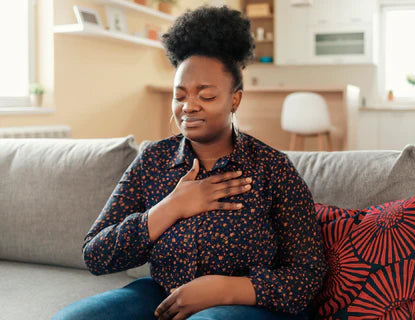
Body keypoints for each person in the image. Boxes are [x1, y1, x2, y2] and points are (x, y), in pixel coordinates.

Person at [51, 5, 327, 320]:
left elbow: (309, 275)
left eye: (206, 96)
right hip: (163, 295)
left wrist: (225, 290)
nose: (189, 107)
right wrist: (172, 207)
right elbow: (96, 255)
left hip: (249, 305)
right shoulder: (153, 160)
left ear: (234, 99)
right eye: (180, 96)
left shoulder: (271, 168)